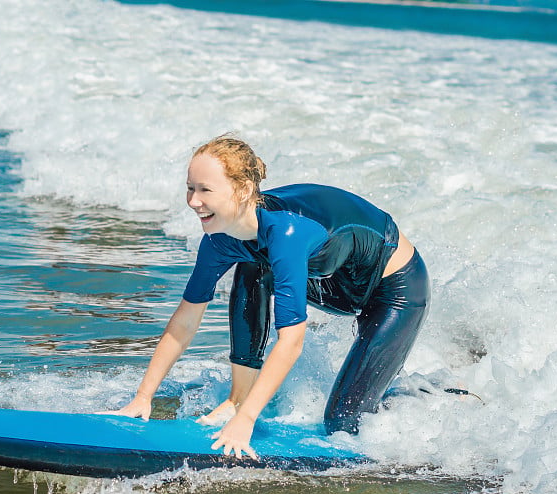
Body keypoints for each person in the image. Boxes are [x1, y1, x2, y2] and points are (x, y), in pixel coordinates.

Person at [106, 135, 430, 460]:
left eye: (205, 190)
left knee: (343, 424)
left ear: (243, 190)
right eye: (191, 188)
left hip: (394, 290)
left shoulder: (286, 234)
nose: (193, 200)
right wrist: (143, 397)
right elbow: (186, 320)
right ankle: (237, 398)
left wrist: (246, 422)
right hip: (332, 279)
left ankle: (421, 396)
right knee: (251, 267)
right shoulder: (220, 239)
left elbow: (291, 341)